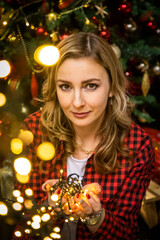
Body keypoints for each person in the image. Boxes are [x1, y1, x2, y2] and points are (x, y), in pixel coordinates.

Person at [13, 32, 155, 240]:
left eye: (91, 86)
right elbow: (21, 224)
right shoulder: (33, 131)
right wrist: (51, 205)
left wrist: (97, 216)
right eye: (66, 87)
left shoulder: (136, 146)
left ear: (111, 88)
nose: (77, 102)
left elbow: (127, 233)